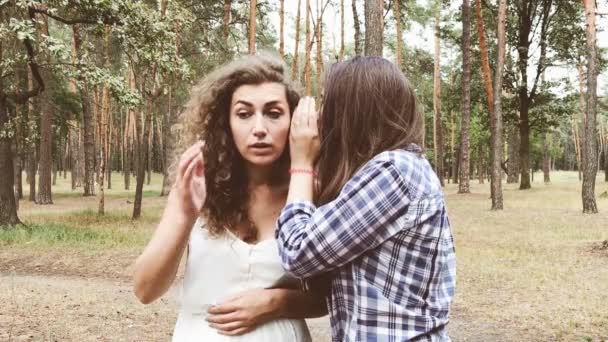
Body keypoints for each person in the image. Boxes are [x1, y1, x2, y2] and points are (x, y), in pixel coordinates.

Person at [133, 54, 325, 342]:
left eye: (273, 113)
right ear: (226, 122)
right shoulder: (197, 186)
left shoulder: (309, 192)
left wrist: (277, 303)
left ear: (294, 121)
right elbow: (145, 289)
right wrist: (184, 214)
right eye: (244, 114)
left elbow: (331, 295)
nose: (259, 128)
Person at [276, 56, 456, 341]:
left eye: (327, 102)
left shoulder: (395, 172)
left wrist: (301, 162)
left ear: (351, 112)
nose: (321, 115)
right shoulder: (387, 172)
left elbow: (298, 251)